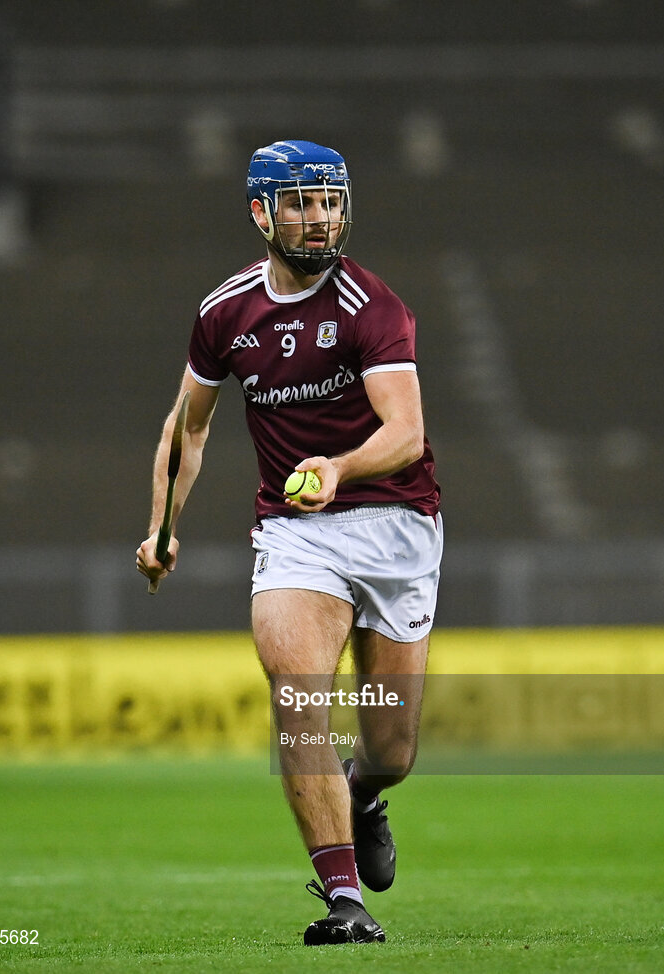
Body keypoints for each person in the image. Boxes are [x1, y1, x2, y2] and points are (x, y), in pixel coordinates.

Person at [136, 140, 442, 945]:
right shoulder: (226, 313)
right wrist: (163, 529)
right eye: (301, 203)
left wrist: (338, 467)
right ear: (260, 213)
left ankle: (363, 794)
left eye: (331, 201)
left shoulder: (373, 306)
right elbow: (186, 429)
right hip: (297, 533)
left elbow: (406, 434)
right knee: (298, 693)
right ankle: (344, 899)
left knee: (392, 748)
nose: (320, 219)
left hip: (396, 524)